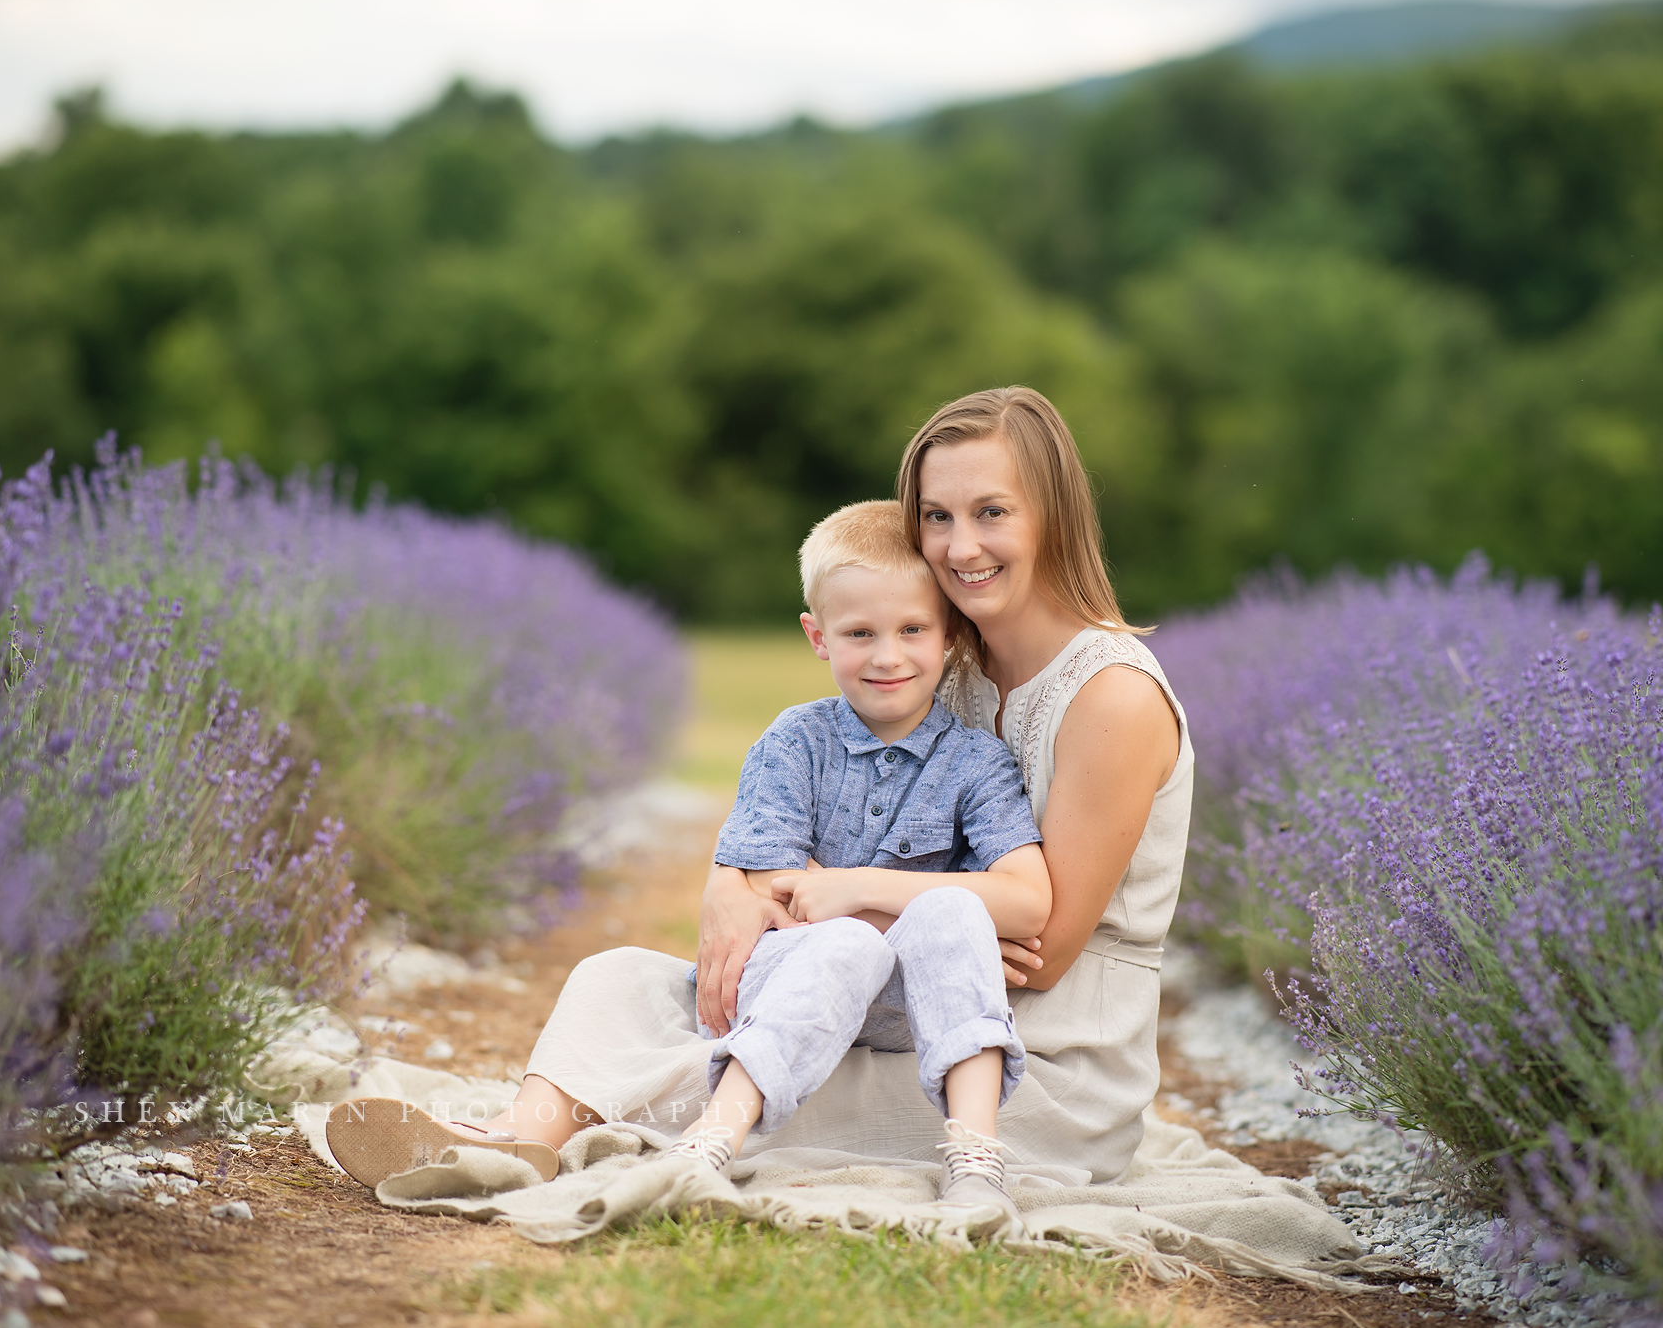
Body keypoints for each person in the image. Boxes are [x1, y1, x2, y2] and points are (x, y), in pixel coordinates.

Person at [334, 383, 1191, 1197]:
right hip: (894, 993)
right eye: (937, 515)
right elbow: (853, 889)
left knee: (713, 1056)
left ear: (1055, 514)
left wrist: (844, 905)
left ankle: (538, 1139)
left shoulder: (1109, 694)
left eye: (991, 512)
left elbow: (1038, 951)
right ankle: (514, 1133)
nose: (961, 545)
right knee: (628, 978)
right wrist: (730, 889)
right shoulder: (951, 670)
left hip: (1033, 1063)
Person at [326, 500, 1052, 1218]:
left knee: (943, 911)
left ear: (950, 633)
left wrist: (851, 887)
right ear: (818, 636)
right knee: (615, 971)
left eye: (912, 629)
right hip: (791, 974)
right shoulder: (795, 740)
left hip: (902, 1004)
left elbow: (1027, 898)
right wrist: (862, 910)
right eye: (860, 631)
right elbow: (772, 892)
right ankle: (522, 1138)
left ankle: (971, 1156)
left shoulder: (977, 763)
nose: (887, 655)